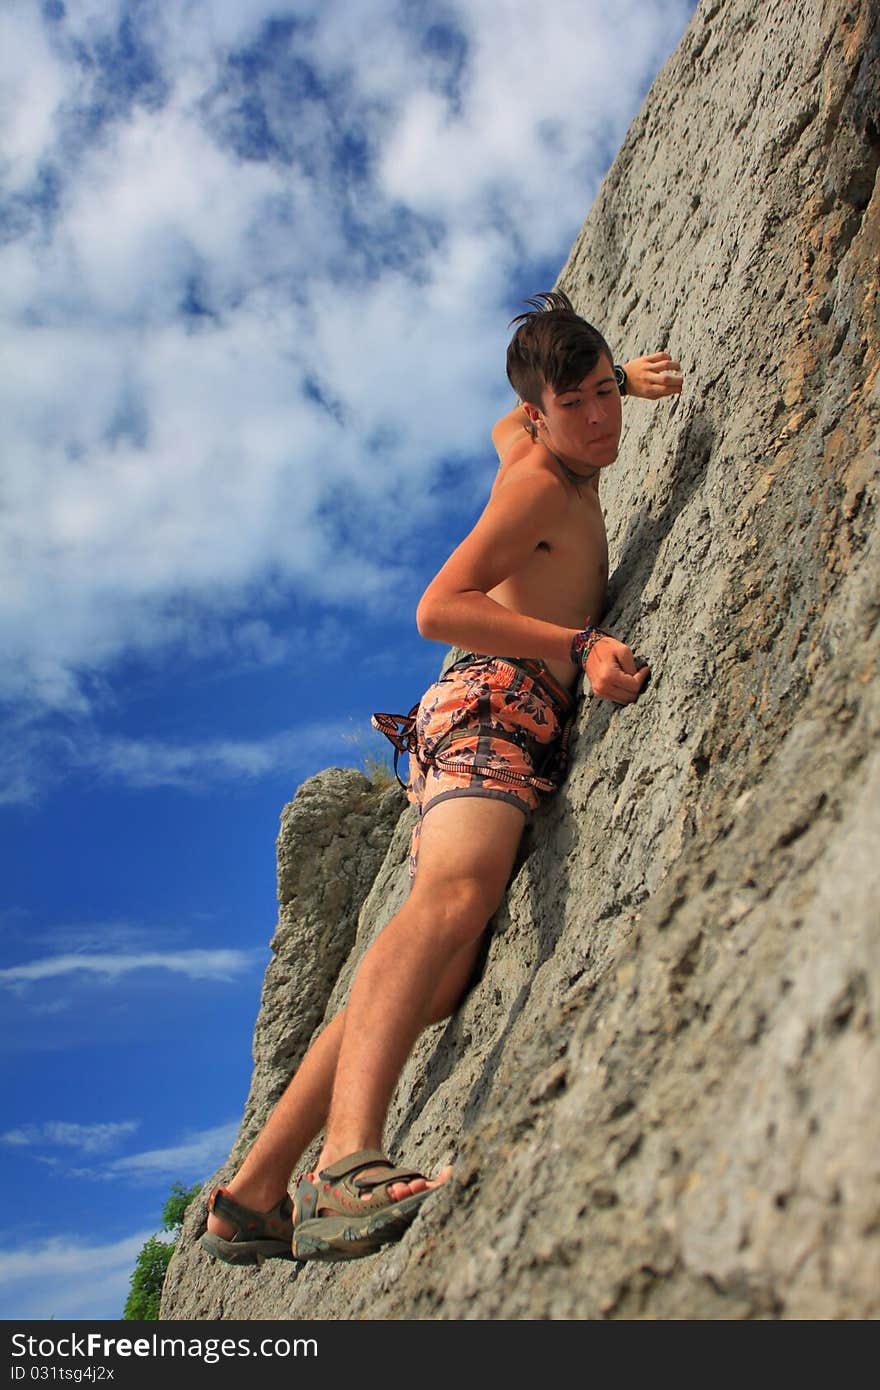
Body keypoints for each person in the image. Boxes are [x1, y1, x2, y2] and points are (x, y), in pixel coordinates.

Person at [200, 289, 682, 1264]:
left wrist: (621, 373)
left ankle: (253, 1193)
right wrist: (578, 643)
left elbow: (503, 419)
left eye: (606, 392)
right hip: (492, 702)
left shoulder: (529, 441)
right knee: (450, 900)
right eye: (579, 403)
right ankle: (345, 1166)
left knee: (429, 975)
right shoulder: (537, 485)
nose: (601, 419)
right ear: (546, 419)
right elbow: (439, 606)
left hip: (493, 719)